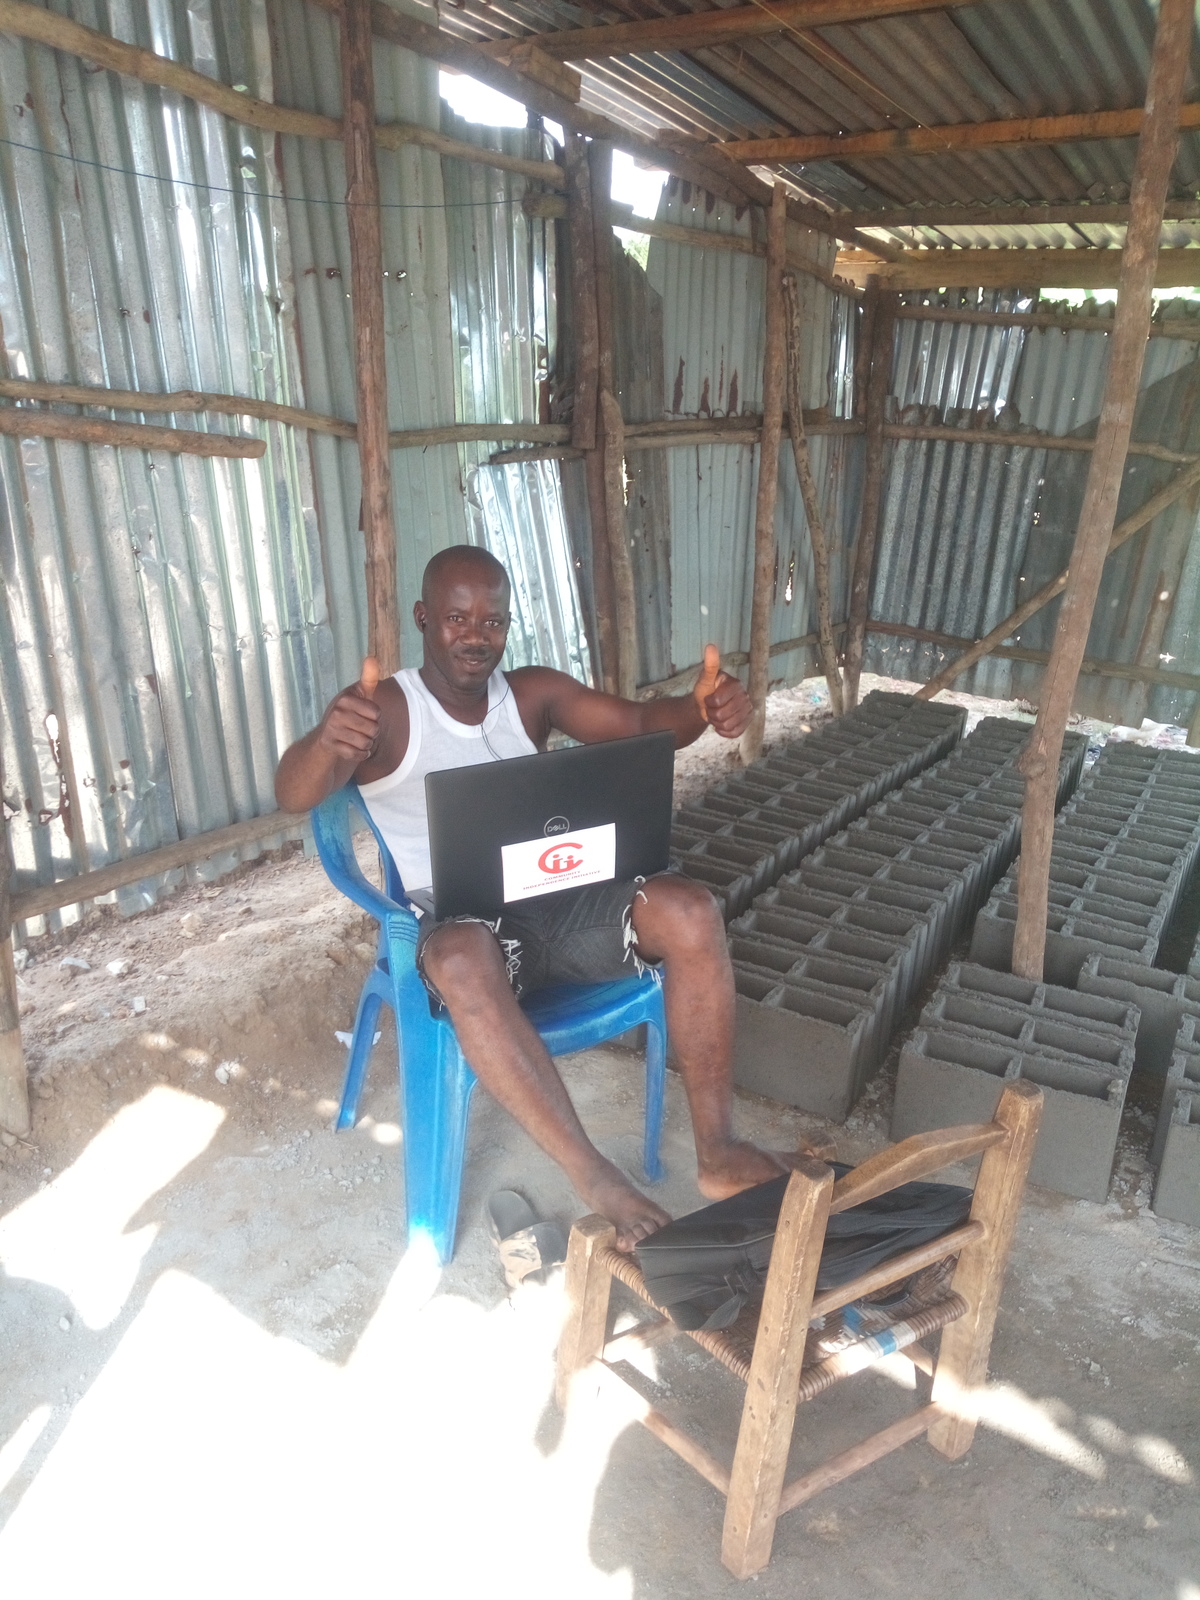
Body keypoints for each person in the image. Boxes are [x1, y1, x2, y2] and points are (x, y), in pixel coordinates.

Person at [276, 545, 802, 1249]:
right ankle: (595, 1175)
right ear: (423, 618)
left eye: (492, 621)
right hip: (467, 930)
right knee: (459, 956)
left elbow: (642, 726)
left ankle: (720, 1151)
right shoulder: (387, 711)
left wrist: (700, 708)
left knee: (690, 909)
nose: (475, 636)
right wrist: (325, 741)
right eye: (457, 618)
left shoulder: (532, 694)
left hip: (564, 906)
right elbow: (293, 793)